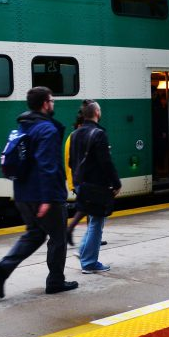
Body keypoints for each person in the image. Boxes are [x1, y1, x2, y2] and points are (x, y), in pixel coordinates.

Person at [0, 86, 77, 298]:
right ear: (45, 103)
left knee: (35, 234)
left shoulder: (23, 127)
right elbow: (48, 165)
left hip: (23, 194)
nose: (53, 104)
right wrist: (48, 198)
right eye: (52, 100)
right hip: (44, 196)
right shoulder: (46, 129)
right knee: (58, 237)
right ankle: (55, 281)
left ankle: (3, 268)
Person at [68, 100, 122, 274]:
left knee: (94, 220)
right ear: (97, 113)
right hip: (96, 185)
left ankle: (84, 252)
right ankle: (90, 262)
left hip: (81, 184)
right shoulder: (99, 134)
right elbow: (106, 162)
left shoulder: (75, 134)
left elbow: (71, 162)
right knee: (97, 222)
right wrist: (116, 183)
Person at [64, 110, 86, 246]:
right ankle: (70, 230)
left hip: (79, 180)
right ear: (79, 125)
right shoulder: (75, 138)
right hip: (80, 180)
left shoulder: (74, 137)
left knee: (86, 208)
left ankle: (70, 230)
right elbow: (71, 163)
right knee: (87, 208)